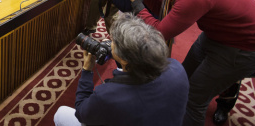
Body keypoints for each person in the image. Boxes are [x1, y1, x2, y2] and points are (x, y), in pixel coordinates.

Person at [126, 0, 255, 126]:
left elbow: (160, 31)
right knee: (182, 78)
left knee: (195, 99)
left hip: (245, 48)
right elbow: (159, 6)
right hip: (217, 34)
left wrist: (136, 3)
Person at [54, 14, 189, 126]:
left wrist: (87, 71)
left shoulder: (108, 96)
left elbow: (81, 112)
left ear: (125, 60)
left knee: (60, 113)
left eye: (113, 41)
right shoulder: (177, 69)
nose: (109, 42)